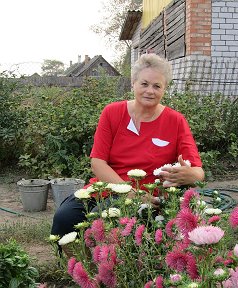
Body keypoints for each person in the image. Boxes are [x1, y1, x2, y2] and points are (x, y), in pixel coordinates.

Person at [51, 53, 205, 240]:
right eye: (144, 84)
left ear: (165, 89)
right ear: (133, 83)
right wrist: (130, 192)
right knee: (64, 218)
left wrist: (189, 174)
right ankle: (79, 267)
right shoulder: (112, 112)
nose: (150, 91)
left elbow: (198, 172)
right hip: (105, 188)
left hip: (150, 197)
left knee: (106, 224)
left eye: (157, 86)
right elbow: (98, 163)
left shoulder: (176, 121)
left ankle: (109, 268)